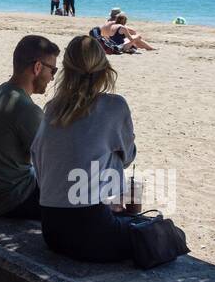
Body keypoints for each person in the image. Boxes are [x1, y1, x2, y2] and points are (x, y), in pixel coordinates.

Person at [31, 34, 138, 262]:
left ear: (66, 71)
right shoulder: (115, 106)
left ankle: (109, 204)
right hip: (91, 231)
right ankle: (114, 205)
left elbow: (37, 159)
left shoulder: (52, 108)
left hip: (52, 229)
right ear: (104, 70)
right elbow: (128, 158)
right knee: (162, 233)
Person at [0, 35, 60, 218]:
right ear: (37, 67)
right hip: (13, 201)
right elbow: (55, 164)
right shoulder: (25, 109)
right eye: (53, 70)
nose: (52, 78)